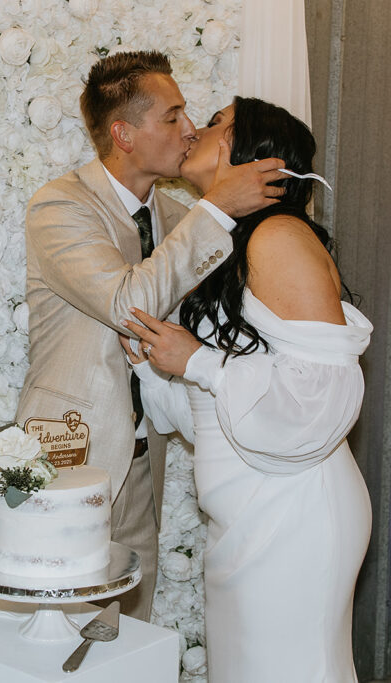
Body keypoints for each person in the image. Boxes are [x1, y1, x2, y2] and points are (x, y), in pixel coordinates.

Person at [14, 51, 286, 620]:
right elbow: (128, 305)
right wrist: (213, 210)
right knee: (56, 627)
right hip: (70, 451)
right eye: (172, 117)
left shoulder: (174, 215)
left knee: (128, 631)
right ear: (124, 133)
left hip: (145, 457)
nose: (190, 131)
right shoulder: (60, 205)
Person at [121, 96, 373, 680]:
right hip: (248, 508)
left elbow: (322, 396)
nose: (194, 131)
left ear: (253, 155)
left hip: (296, 509)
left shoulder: (279, 236)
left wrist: (198, 362)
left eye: (215, 124)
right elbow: (217, 413)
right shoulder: (227, 246)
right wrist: (153, 363)